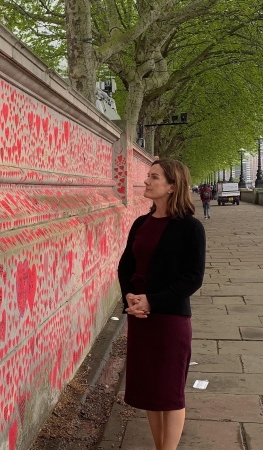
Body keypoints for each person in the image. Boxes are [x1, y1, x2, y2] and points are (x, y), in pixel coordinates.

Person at [117, 158, 206, 450]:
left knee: (169, 393)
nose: (146, 181)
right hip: (140, 318)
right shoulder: (141, 223)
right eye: (148, 176)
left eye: (154, 177)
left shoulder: (190, 228)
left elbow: (192, 278)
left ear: (172, 186)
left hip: (170, 320)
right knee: (149, 393)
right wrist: (129, 297)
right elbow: (125, 266)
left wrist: (151, 301)